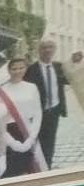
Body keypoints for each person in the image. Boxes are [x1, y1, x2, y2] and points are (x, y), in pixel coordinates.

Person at [0, 56, 48, 177]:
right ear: (9, 70)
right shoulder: (1, 90)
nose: (18, 71)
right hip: (11, 133)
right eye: (14, 68)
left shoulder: (32, 87)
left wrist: (32, 138)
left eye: (21, 68)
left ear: (26, 68)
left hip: (29, 131)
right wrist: (13, 143)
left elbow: (38, 113)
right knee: (16, 171)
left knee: (34, 169)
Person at [34, 36, 71, 168]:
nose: (47, 50)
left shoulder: (59, 67)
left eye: (50, 47)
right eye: (44, 47)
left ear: (54, 49)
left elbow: (71, 78)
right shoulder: (32, 69)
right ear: (39, 50)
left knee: (50, 140)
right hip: (38, 112)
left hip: (54, 110)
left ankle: (47, 166)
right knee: (37, 141)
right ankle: (36, 167)